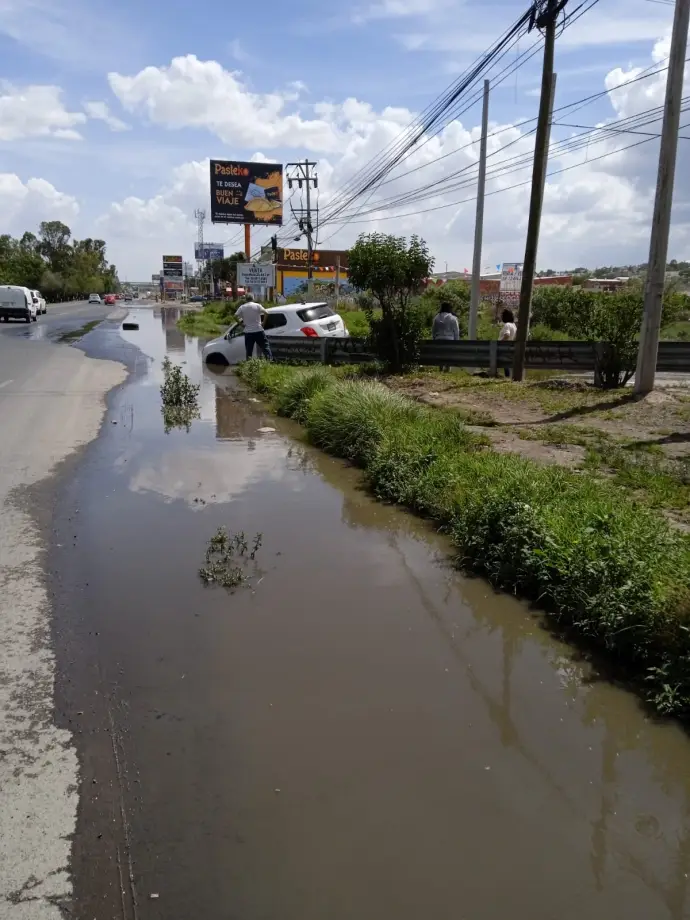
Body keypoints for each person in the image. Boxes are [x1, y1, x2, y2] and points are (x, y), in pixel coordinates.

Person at [235, 293, 272, 361]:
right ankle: (269, 362)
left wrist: (241, 324)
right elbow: (266, 313)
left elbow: (235, 316)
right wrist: (263, 323)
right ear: (253, 298)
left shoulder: (242, 307)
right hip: (258, 330)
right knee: (265, 347)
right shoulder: (257, 305)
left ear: (246, 299)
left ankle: (249, 365)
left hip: (248, 332)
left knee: (249, 351)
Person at [432, 301, 460, 372]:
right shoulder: (453, 318)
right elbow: (456, 332)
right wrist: (456, 343)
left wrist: (434, 340)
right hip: (449, 340)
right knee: (449, 355)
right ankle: (447, 370)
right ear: (450, 309)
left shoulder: (436, 318)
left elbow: (434, 331)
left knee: (441, 353)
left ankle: (440, 369)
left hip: (438, 340)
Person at [499, 308, 517, 377]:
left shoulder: (507, 325)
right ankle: (508, 377)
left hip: (504, 347)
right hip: (510, 347)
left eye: (502, 315)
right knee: (506, 365)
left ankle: (506, 377)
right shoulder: (514, 325)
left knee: (505, 365)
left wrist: (499, 342)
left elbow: (507, 335)